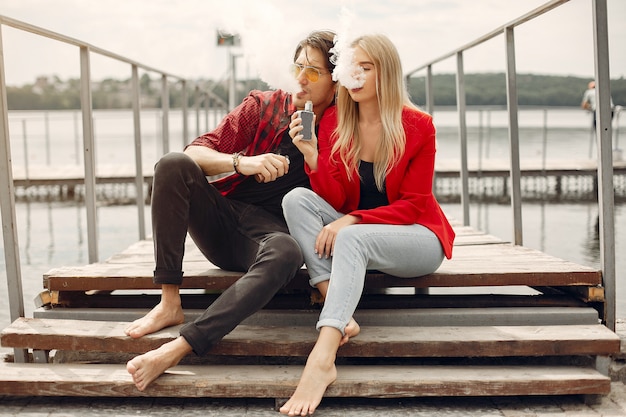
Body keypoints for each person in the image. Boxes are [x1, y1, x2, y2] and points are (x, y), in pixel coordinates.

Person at [123, 29, 338, 391]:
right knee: (172, 164)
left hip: (270, 240)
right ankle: (169, 301)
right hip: (223, 220)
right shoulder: (264, 106)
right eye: (297, 66)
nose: (301, 78)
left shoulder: (342, 126)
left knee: (288, 252)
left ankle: (180, 346)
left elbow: (352, 194)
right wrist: (242, 162)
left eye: (314, 72)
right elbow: (195, 153)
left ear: (336, 81)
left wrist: (314, 153)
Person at [279, 34, 455, 416]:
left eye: (366, 67)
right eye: (350, 67)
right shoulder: (335, 122)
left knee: (354, 237)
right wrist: (312, 157)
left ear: (385, 73)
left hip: (418, 239)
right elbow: (337, 199)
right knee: (296, 199)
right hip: (358, 239)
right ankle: (336, 299)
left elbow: (414, 205)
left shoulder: (418, 125)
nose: (355, 75)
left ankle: (323, 357)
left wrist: (353, 220)